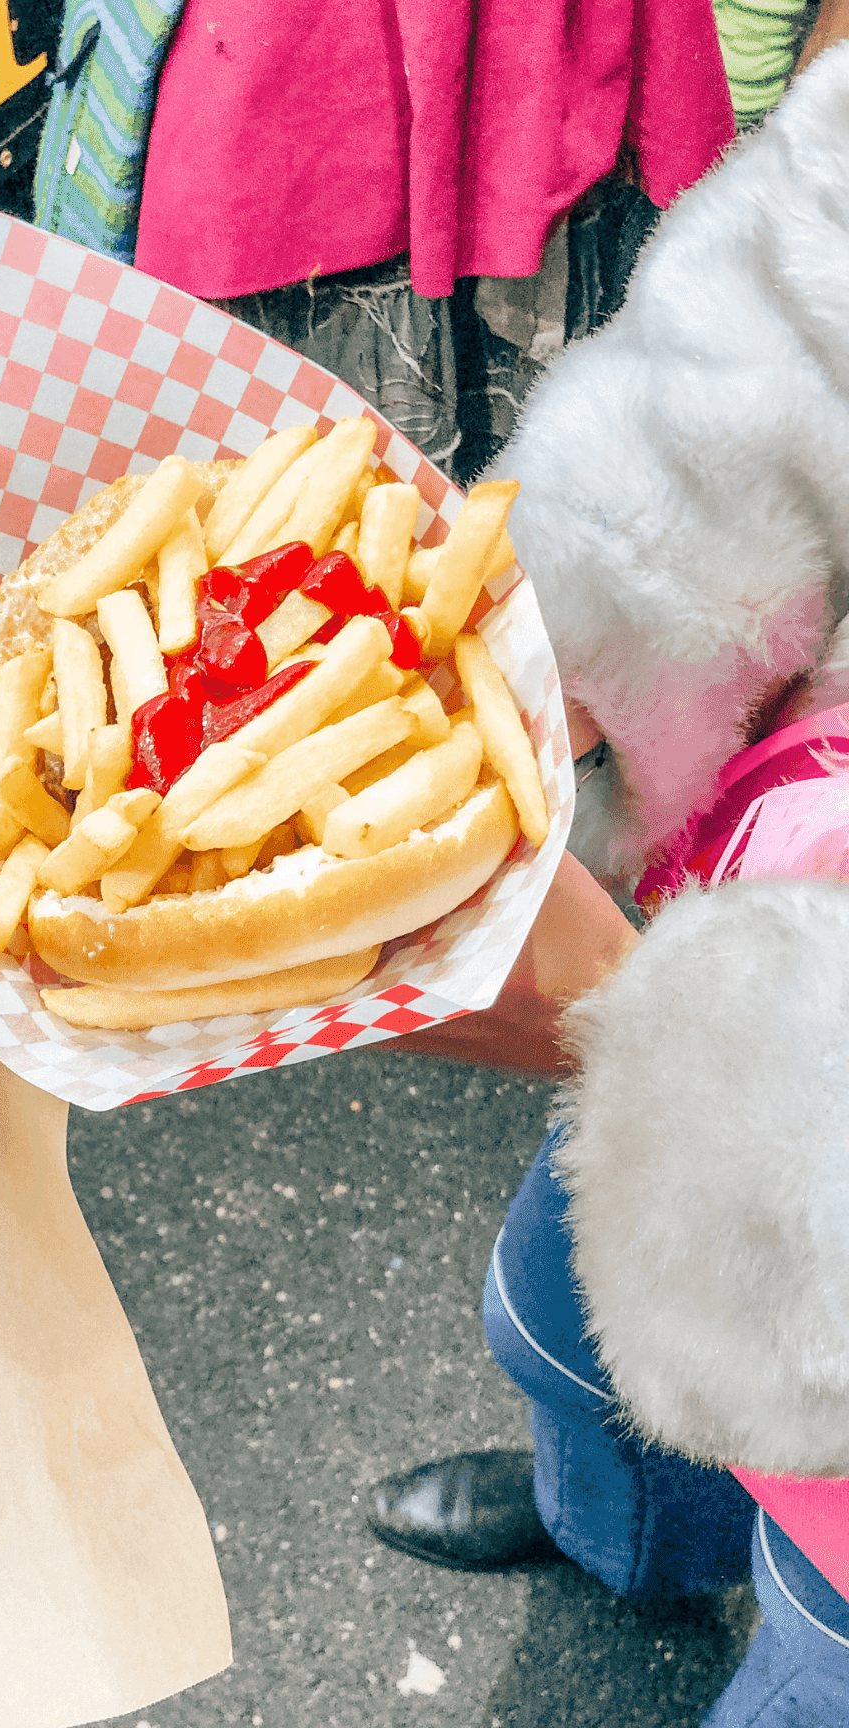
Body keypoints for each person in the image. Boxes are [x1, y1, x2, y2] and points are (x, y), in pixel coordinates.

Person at [361, 47, 849, 1728]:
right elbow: (806, 283)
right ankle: (625, 1539)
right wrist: (587, 588)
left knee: (808, 1653)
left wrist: (660, 1042)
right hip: (753, 902)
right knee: (568, 1330)